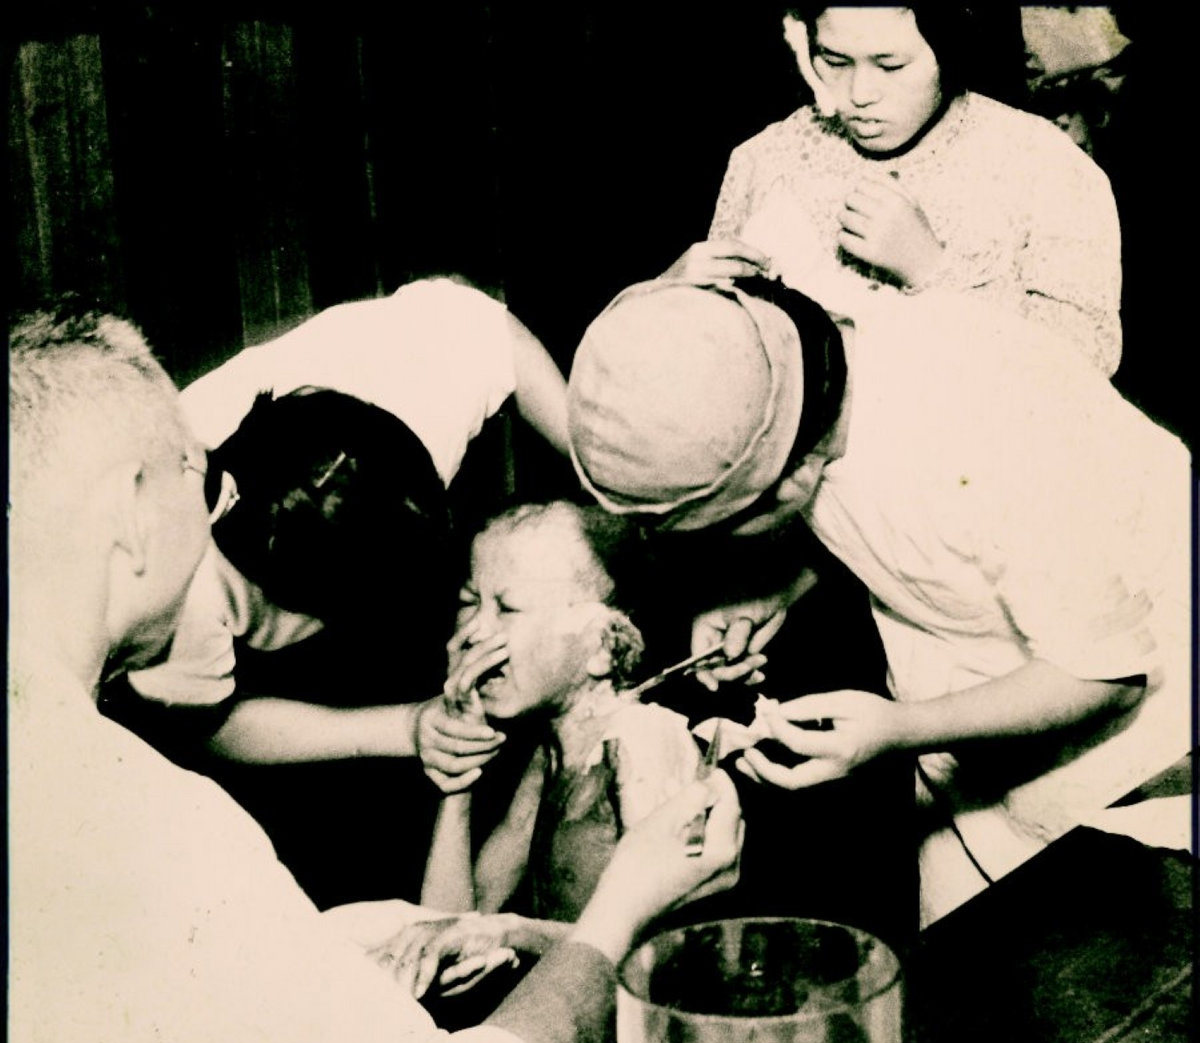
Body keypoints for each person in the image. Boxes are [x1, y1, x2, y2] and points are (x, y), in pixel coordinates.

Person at [7, 303, 744, 1043]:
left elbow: (484, 331)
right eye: (198, 480)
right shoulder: (145, 825)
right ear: (129, 511)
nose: (224, 505)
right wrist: (615, 912)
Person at [564, 274, 1191, 926]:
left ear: (791, 480)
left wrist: (899, 729)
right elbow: (894, 525)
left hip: (1138, 779)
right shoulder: (802, 371)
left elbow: (1108, 674)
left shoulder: (994, 424)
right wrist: (771, 588)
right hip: (977, 776)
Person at [121, 274, 567, 773]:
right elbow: (207, 725)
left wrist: (601, 476)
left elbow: (487, 330)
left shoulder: (418, 388)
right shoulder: (168, 597)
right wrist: (404, 727)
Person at [674, 4, 1122, 376]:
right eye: (834, 61)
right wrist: (673, 300)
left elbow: (1086, 367)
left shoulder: (1046, 165)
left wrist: (933, 271)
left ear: (949, 50)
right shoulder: (765, 158)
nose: (860, 93)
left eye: (891, 65)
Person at [419, 500, 704, 923]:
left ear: (601, 647)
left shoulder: (641, 740)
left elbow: (652, 942)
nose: (475, 630)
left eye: (508, 608)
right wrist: (457, 758)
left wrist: (509, 933)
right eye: (469, 601)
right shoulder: (550, 756)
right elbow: (449, 923)